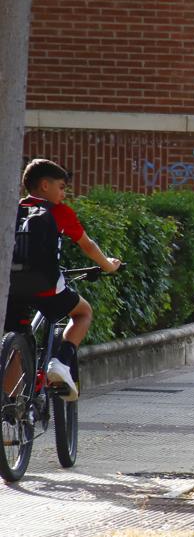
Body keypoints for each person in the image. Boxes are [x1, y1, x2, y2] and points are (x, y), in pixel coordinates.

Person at [8, 159, 122, 401]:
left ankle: (9, 410)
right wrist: (108, 266)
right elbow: (88, 245)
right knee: (83, 313)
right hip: (46, 286)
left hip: (11, 287)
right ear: (45, 185)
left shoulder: (12, 208)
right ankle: (60, 363)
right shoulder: (58, 211)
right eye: (61, 187)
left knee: (15, 342)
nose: (63, 194)